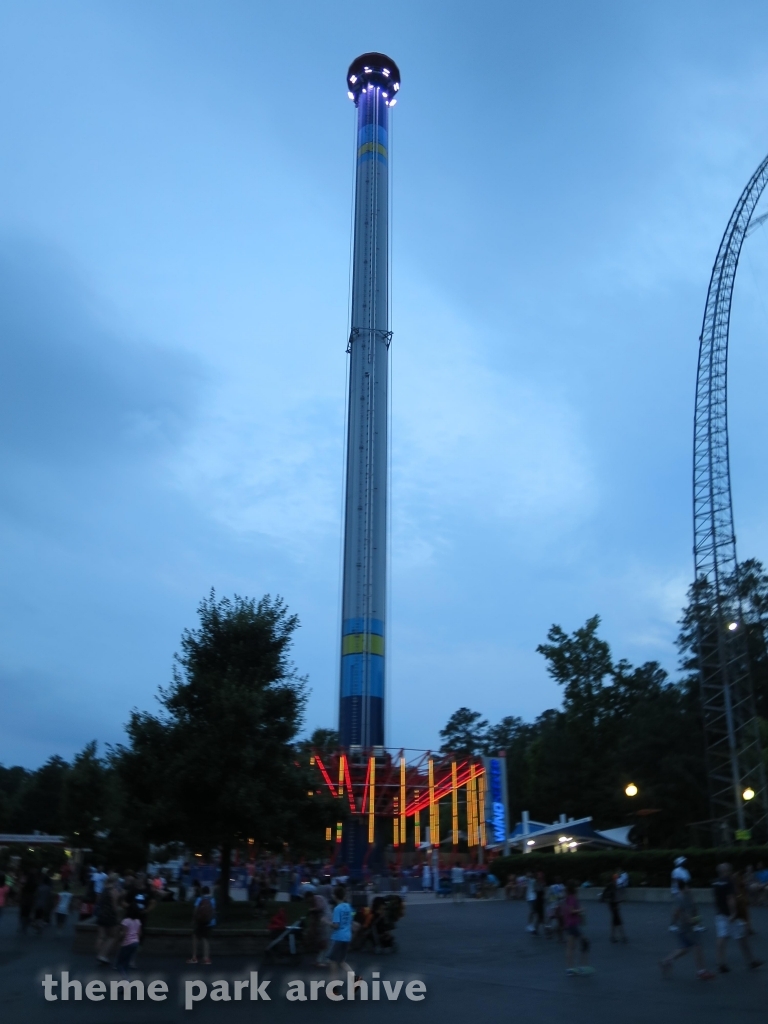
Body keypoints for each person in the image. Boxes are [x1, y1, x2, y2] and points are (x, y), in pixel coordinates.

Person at [660, 878, 714, 980]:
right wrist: (692, 920)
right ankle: (701, 971)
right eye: (688, 886)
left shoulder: (687, 896)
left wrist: (695, 918)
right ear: (684, 887)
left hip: (686, 927)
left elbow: (693, 910)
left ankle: (666, 961)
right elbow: (678, 912)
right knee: (697, 946)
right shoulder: (681, 898)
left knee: (684, 949)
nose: (690, 888)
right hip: (687, 927)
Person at [563, 880, 594, 975]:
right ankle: (582, 966)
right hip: (573, 924)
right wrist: (581, 910)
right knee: (584, 942)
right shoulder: (572, 898)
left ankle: (571, 968)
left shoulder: (568, 898)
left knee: (571, 946)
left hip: (570, 924)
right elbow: (571, 911)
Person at [328, 885, 356, 977]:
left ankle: (333, 986)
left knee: (332, 961)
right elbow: (351, 918)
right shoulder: (348, 907)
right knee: (341, 961)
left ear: (334, 896)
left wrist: (326, 922)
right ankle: (354, 978)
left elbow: (336, 925)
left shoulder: (337, 909)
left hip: (338, 937)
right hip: (347, 937)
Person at [95, 874, 120, 964]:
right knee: (112, 936)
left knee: (101, 936)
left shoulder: (104, 889)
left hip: (101, 914)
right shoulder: (114, 891)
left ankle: (99, 954)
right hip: (110, 916)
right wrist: (118, 913)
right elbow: (114, 906)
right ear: (116, 881)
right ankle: (103, 955)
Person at [188, 885, 216, 965]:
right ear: (209, 892)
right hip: (209, 922)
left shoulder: (199, 899)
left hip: (200, 922)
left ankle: (194, 957)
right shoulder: (212, 900)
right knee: (206, 939)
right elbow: (213, 911)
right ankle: (206, 958)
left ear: (202, 892)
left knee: (195, 937)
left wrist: (193, 920)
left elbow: (195, 910)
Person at [114, 905, 142, 973]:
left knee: (121, 956)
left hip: (127, 942)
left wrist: (119, 939)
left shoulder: (125, 921)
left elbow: (124, 933)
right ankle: (126, 968)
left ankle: (119, 967)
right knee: (129, 957)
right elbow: (139, 933)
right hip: (135, 942)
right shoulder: (138, 921)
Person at [600, 874, 627, 943]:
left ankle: (614, 936)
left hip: (613, 905)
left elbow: (605, 895)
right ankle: (621, 936)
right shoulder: (612, 885)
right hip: (613, 905)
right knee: (618, 920)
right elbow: (609, 895)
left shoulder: (613, 885)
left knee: (615, 921)